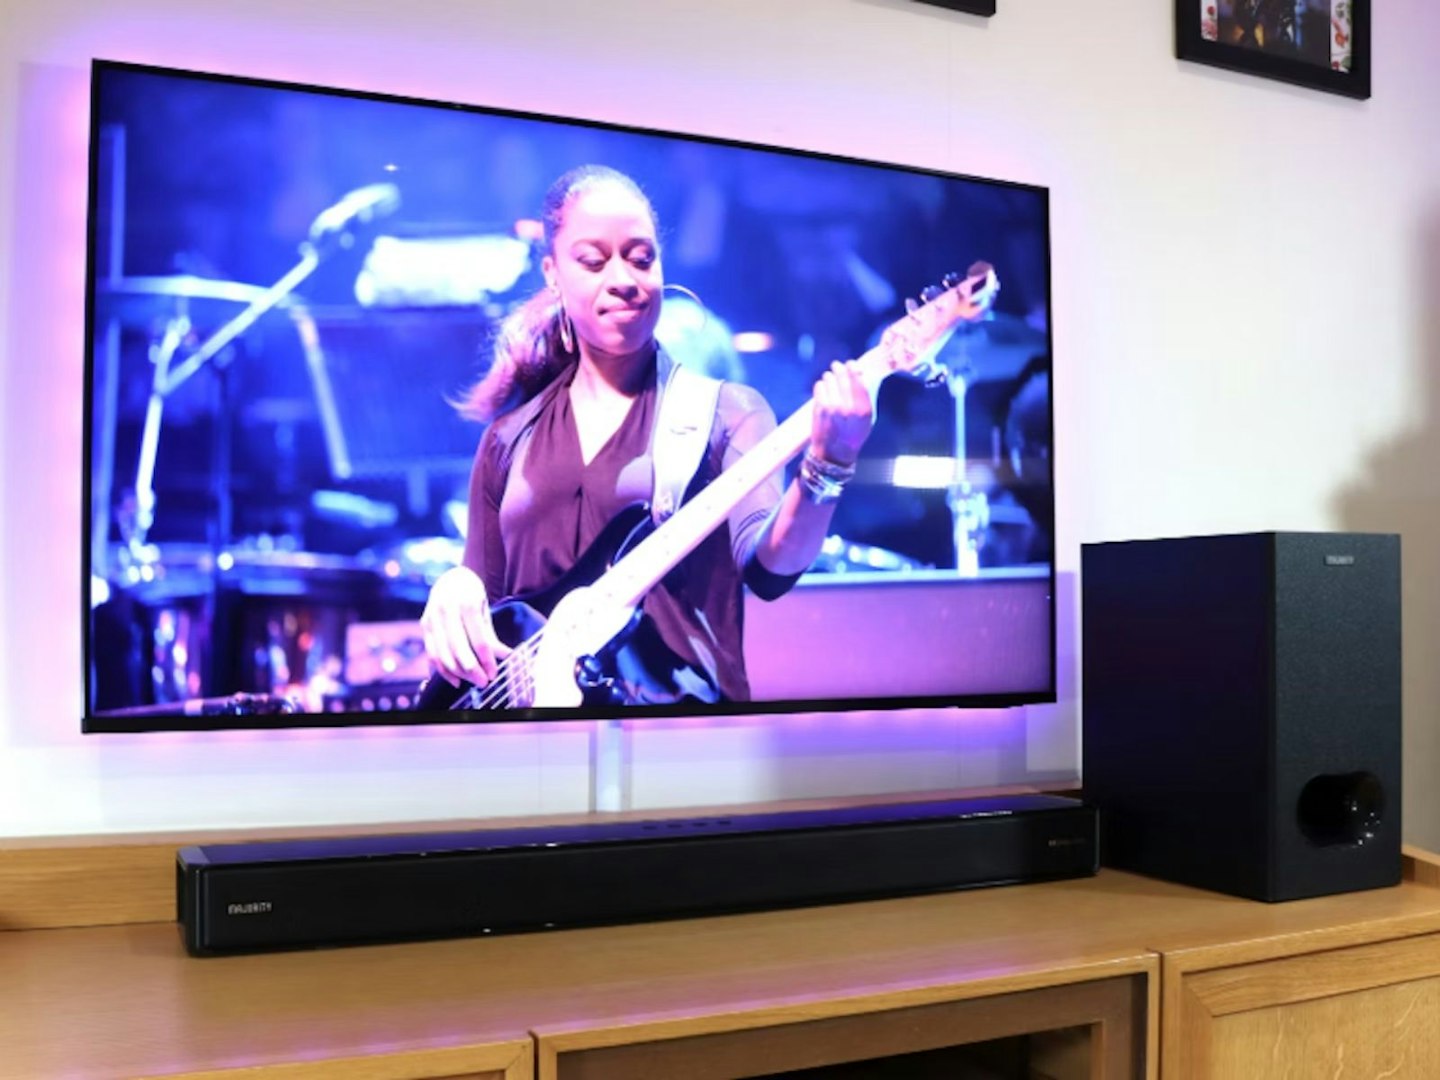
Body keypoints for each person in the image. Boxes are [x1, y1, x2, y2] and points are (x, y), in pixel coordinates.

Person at [420, 164, 874, 708]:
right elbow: (490, 612)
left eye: (642, 257)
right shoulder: (508, 436)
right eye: (593, 260)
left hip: (675, 749)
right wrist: (454, 589)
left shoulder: (726, 413)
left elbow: (770, 568)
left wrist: (829, 463)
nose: (624, 278)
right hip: (532, 757)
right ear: (552, 273)